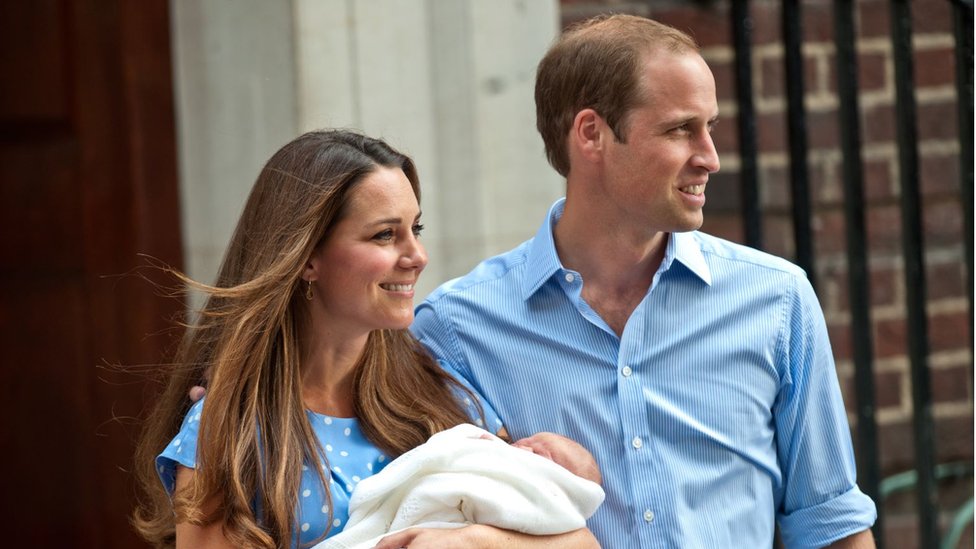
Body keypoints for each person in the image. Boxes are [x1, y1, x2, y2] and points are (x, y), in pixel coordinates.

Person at [411, 14, 878, 549]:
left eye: (711, 127)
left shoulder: (776, 300)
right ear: (592, 134)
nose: (711, 158)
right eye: (681, 129)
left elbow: (831, 525)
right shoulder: (457, 329)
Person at [132, 130, 600, 549]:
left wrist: (470, 541)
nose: (417, 256)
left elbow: (578, 540)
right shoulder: (229, 432)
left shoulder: (441, 393)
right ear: (307, 257)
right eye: (384, 235)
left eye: (414, 229)